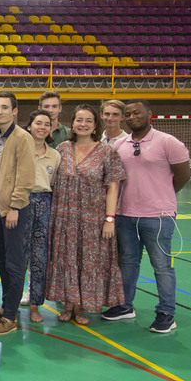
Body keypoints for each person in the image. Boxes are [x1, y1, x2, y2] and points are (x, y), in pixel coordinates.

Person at [103, 99, 191, 333]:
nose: (132, 117)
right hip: (125, 216)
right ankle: (124, 305)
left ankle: (166, 313)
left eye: (137, 113)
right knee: (128, 263)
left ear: (149, 114)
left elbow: (182, 176)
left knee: (162, 267)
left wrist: (160, 197)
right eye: (128, 114)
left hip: (158, 217)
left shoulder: (167, 142)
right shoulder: (120, 144)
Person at [46, 104, 126, 325]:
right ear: (72, 124)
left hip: (92, 219)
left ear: (95, 125)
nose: (83, 124)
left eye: (88, 120)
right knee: (66, 259)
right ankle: (68, 303)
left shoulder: (106, 152)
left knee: (87, 261)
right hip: (63, 217)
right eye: (79, 120)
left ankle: (81, 307)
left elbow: (112, 187)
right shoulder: (61, 148)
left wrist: (110, 219)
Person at [0, 91, 35, 336]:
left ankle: (10, 316)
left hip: (12, 209)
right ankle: (5, 306)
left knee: (14, 263)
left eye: (4, 107)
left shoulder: (22, 137)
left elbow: (25, 177)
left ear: (15, 111)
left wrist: (14, 207)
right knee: (0, 259)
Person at [21, 110, 60, 323]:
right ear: (29, 126)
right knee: (18, 256)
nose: (42, 127)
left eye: (47, 124)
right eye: (38, 123)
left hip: (44, 204)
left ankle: (35, 304)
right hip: (21, 202)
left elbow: (53, 183)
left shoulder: (55, 155)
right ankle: (12, 300)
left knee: (39, 256)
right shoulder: (20, 150)